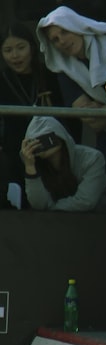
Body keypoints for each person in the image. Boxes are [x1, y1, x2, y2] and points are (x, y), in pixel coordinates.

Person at [36, 6, 106, 186]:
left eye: (64, 32)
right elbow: (93, 119)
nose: (62, 41)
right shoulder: (64, 68)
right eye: (55, 39)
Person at [0, 22, 65, 207]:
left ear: (32, 47)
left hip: (52, 151)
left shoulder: (50, 76)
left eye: (21, 47)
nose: (15, 55)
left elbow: (69, 119)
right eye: (8, 50)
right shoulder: (2, 80)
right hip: (13, 153)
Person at [19, 115, 106, 212]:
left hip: (100, 217)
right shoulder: (35, 163)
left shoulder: (92, 158)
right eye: (37, 142)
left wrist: (52, 209)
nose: (44, 144)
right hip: (53, 221)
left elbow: (85, 201)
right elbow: (39, 205)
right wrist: (30, 167)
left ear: (61, 135)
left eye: (48, 138)